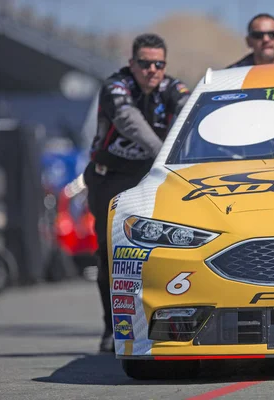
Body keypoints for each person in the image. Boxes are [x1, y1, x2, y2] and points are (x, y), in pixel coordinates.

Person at [83, 33, 190, 352]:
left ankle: (169, 322)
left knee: (163, 249)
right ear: (132, 63)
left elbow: (189, 114)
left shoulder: (173, 88)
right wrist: (164, 152)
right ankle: (111, 327)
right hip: (111, 180)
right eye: (144, 63)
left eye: (159, 64)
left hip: (151, 181)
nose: (152, 70)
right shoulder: (116, 86)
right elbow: (128, 121)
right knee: (110, 255)